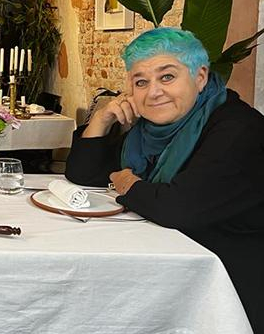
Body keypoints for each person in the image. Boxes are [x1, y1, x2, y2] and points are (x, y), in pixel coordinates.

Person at [65, 27, 264, 332]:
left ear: (200, 77)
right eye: (141, 82)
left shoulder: (238, 129)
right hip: (168, 267)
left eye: (167, 77)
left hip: (229, 288)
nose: (153, 92)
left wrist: (129, 183)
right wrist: (102, 119)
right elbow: (84, 174)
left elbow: (178, 209)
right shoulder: (147, 132)